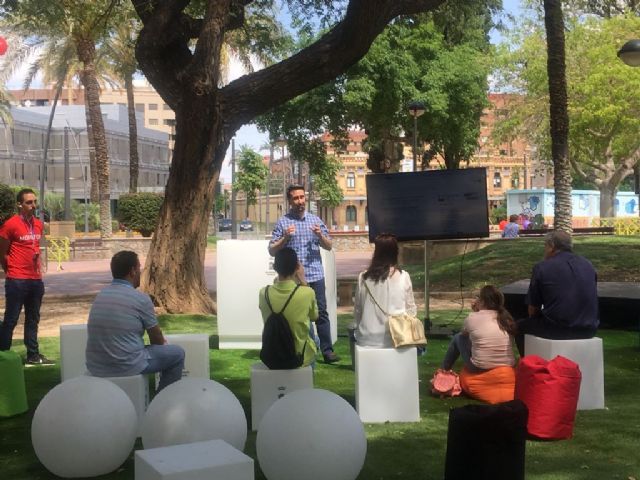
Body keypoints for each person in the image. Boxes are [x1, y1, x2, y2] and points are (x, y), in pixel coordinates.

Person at [85, 251, 185, 391]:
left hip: (96, 365)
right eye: (139, 268)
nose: (141, 272)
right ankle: (163, 402)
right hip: (126, 365)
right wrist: (163, 346)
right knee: (177, 354)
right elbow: (156, 338)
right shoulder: (140, 299)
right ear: (132, 271)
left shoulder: (101, 296)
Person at [269, 184, 339, 363]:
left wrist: (320, 235)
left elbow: (329, 246)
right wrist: (285, 238)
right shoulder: (283, 223)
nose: (300, 201)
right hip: (294, 280)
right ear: (290, 201)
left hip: (316, 275)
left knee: (321, 313)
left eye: (302, 197)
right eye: (296, 198)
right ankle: (307, 348)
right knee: (300, 316)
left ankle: (327, 350)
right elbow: (271, 250)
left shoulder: (315, 221)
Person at [515, 230, 599, 355]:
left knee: (519, 326)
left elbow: (533, 308)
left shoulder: (542, 267)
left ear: (551, 246)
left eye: (545, 246)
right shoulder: (588, 265)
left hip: (557, 329)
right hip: (589, 328)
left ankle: (528, 365)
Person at [0, 188, 53, 365]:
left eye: (34, 202)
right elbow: (2, 253)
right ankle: (3, 355)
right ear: (20, 204)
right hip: (17, 279)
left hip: (35, 280)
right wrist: (11, 272)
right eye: (29, 202)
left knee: (33, 318)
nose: (33, 205)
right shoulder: (11, 224)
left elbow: (35, 247)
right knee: (11, 319)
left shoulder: (38, 224)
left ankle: (33, 355)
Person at [353, 233, 417, 348]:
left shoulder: (363, 277)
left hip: (367, 338)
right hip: (398, 338)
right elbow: (411, 311)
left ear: (376, 252)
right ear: (395, 252)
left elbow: (358, 310)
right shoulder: (404, 277)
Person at [258, 248, 318, 367]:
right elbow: (314, 316)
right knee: (315, 339)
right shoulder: (307, 292)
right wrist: (303, 282)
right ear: (297, 267)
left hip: (271, 356)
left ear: (275, 267)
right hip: (299, 357)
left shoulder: (263, 293)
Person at [441, 285, 516, 373]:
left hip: (480, 368)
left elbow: (464, 333)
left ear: (482, 301)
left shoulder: (473, 317)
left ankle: (443, 370)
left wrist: (476, 311)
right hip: (508, 365)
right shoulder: (506, 319)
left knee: (458, 337)